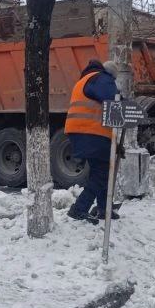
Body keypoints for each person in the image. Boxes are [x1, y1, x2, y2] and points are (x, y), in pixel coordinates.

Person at [65, 60, 120, 225]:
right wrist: (126, 102)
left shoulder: (85, 79)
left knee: (100, 171)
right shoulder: (102, 78)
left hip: (82, 132)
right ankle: (79, 208)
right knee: (102, 173)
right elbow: (113, 98)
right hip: (92, 132)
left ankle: (104, 209)